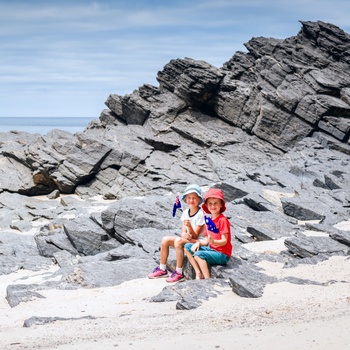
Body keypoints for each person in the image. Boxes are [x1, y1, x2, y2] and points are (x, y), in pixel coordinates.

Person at [148, 184, 205, 283]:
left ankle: (179, 272)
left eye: (194, 198)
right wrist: (184, 234)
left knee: (178, 241)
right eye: (189, 198)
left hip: (197, 241)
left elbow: (196, 235)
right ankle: (162, 269)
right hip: (187, 239)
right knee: (165, 239)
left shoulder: (201, 214)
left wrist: (189, 227)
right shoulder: (186, 212)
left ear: (199, 199)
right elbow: (183, 232)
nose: (191, 200)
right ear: (186, 199)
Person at [184, 188, 232, 279]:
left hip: (222, 254)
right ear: (206, 205)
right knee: (187, 246)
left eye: (216, 203)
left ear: (221, 204)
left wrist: (214, 241)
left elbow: (224, 241)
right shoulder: (208, 220)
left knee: (199, 255)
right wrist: (198, 243)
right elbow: (206, 241)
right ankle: (198, 272)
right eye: (210, 203)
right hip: (211, 249)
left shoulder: (222, 220)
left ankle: (207, 279)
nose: (213, 206)